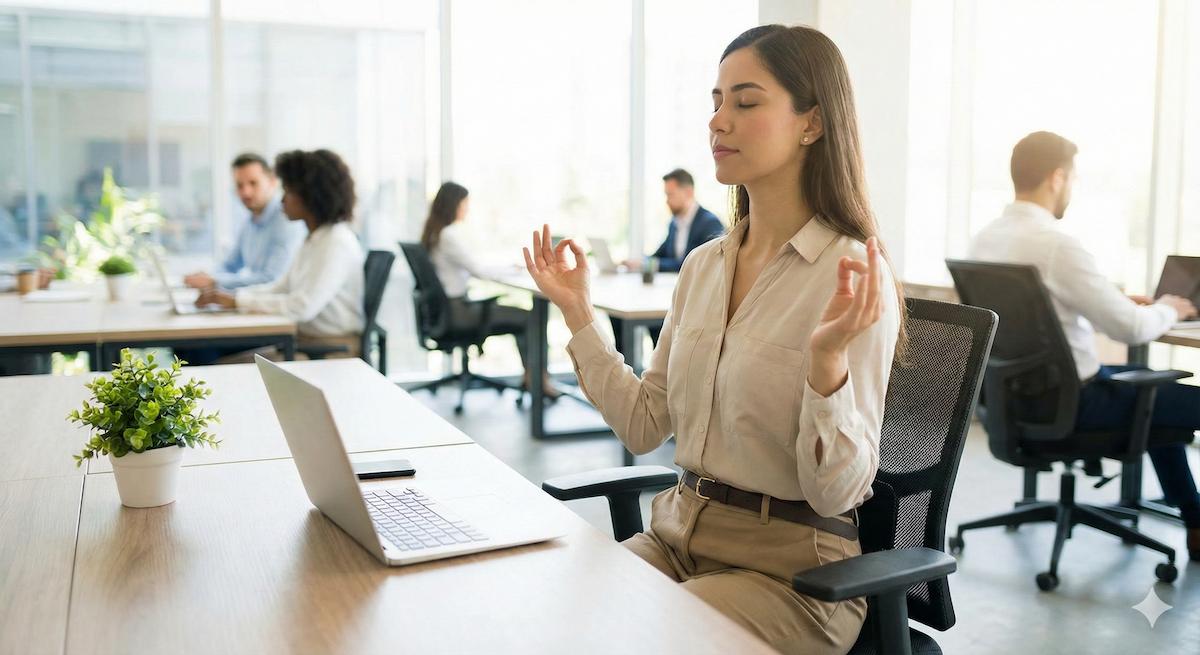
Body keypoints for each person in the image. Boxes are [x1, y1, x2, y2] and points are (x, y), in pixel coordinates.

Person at [522, 25, 903, 654]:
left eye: (745, 102)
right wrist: (579, 313)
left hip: (791, 575)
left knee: (644, 638)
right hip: (674, 539)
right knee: (554, 619)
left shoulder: (852, 275)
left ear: (811, 123)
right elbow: (646, 425)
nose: (718, 121)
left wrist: (827, 363)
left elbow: (837, 491)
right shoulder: (703, 266)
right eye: (716, 101)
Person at [970, 130, 1200, 562]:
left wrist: (1115, 301)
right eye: (1073, 179)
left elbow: (1044, 315)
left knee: (1152, 395)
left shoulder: (986, 239)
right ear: (1057, 178)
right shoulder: (1056, 244)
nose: (1072, 188)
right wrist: (1169, 307)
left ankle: (1196, 520)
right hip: (1077, 404)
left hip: (1013, 401)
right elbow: (1131, 329)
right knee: (1166, 397)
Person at [193, 149, 365, 356]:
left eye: (289, 192)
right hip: (302, 342)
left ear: (310, 196)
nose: (282, 200)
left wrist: (237, 301)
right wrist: (232, 297)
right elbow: (281, 287)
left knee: (214, 366)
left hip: (329, 349)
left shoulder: (336, 242)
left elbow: (303, 307)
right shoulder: (313, 239)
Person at [420, 181, 561, 399]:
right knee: (530, 318)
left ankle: (532, 377)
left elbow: (473, 267)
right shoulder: (448, 235)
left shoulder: (434, 234)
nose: (466, 209)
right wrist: (516, 271)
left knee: (524, 316)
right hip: (459, 313)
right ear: (453, 205)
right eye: (464, 204)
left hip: (448, 310)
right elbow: (479, 271)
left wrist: (509, 268)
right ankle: (539, 381)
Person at [613, 169, 726, 349]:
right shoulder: (675, 223)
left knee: (656, 327)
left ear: (688, 192)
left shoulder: (709, 223)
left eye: (670, 194)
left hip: (693, 299)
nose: (667, 200)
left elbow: (690, 264)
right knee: (617, 315)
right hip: (668, 293)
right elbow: (661, 254)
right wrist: (639, 262)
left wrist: (651, 264)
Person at [184, 153, 305, 290]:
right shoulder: (250, 221)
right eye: (239, 185)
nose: (246, 192)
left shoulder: (286, 220)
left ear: (272, 181)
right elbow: (230, 265)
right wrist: (208, 277)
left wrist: (215, 282)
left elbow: (271, 279)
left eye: (253, 183)